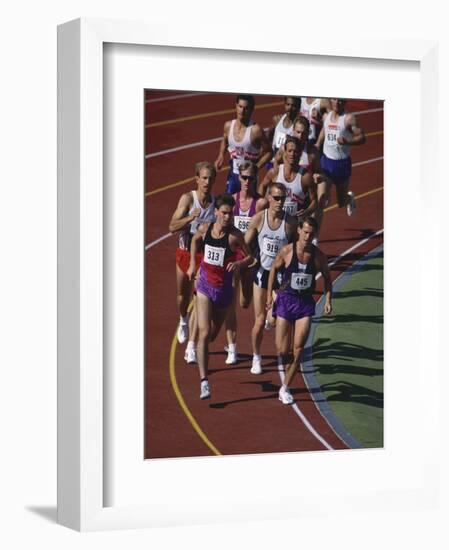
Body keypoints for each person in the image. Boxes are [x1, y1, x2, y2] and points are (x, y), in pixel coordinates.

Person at [187, 194, 253, 399]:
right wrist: (193, 265)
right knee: (204, 333)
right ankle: (204, 381)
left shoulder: (235, 236)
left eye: (230, 213)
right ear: (216, 212)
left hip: (224, 291)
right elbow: (195, 241)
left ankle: (201, 351)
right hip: (205, 286)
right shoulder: (205, 229)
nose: (227, 217)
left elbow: (251, 257)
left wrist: (239, 264)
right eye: (223, 213)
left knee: (213, 335)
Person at [266, 216, 332, 405]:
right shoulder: (287, 251)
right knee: (282, 349)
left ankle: (285, 387)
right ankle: (272, 319)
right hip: (286, 300)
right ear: (299, 231)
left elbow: (327, 278)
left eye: (311, 234)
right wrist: (270, 295)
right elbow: (273, 269)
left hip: (304, 304)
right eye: (304, 232)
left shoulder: (319, 256)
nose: (307, 236)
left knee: (299, 350)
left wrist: (328, 299)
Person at [244, 182, 297, 375]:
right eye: (276, 198)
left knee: (273, 321)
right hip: (262, 272)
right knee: (258, 321)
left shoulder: (290, 223)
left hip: (281, 276)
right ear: (269, 198)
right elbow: (244, 243)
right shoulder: (259, 219)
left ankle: (270, 318)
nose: (279, 202)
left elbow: (294, 248)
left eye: (282, 199)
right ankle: (256, 357)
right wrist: (250, 258)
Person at [168, 162, 216, 363]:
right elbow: (171, 226)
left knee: (199, 300)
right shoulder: (188, 199)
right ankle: (183, 320)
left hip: (202, 257)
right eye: (203, 178)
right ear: (197, 179)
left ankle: (191, 347)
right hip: (184, 253)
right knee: (182, 297)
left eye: (210, 178)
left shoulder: (214, 203)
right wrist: (189, 218)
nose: (207, 182)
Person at [224, 161, 267, 365]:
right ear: (238, 178)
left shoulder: (261, 204)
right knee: (230, 303)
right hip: (233, 261)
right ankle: (232, 347)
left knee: (244, 302)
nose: (247, 181)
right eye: (244, 177)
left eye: (251, 178)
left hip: (250, 261)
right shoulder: (231, 202)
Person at [315, 98, 366, 216]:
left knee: (341, 203)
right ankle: (315, 232)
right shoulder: (327, 115)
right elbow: (325, 129)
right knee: (321, 200)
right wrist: (318, 143)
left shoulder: (348, 119)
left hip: (341, 165)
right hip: (326, 163)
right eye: (334, 100)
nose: (337, 103)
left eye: (340, 101)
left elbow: (362, 138)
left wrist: (347, 141)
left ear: (345, 102)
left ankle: (349, 198)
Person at [215, 94, 272, 194]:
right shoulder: (228, 126)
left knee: (248, 207)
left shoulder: (256, 130)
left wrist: (256, 167)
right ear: (236, 106)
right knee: (228, 204)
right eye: (240, 107)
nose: (242, 111)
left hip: (249, 179)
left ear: (251, 109)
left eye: (246, 108)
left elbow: (269, 152)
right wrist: (221, 155)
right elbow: (224, 139)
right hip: (233, 175)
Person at [258, 135, 318, 220]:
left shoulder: (305, 177)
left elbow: (315, 201)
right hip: (275, 220)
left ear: (300, 153)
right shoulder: (275, 172)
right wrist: (262, 204)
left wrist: (306, 212)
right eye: (289, 151)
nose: (292, 154)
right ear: (285, 152)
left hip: (294, 223)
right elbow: (262, 186)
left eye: (295, 151)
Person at [266, 96, 302, 168]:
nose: (290, 108)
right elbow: (269, 134)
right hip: (273, 161)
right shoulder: (277, 119)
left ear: (298, 107)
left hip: (286, 165)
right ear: (284, 105)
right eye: (288, 104)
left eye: (293, 106)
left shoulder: (299, 126)